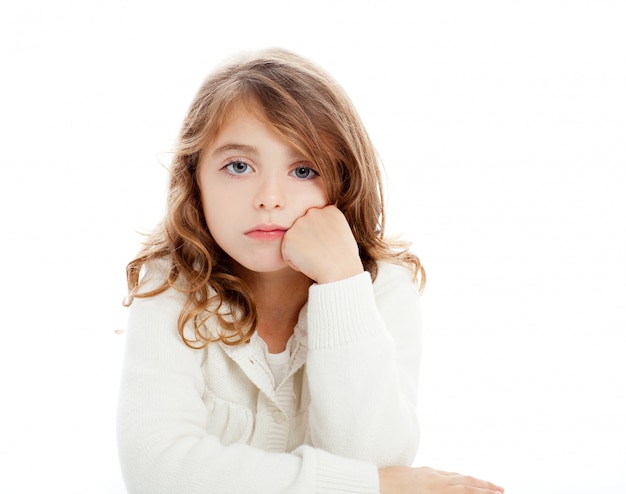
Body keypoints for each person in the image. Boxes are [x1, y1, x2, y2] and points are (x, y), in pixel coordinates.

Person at [117, 48, 504, 494]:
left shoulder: (382, 288)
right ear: (195, 178)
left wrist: (341, 281)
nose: (270, 198)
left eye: (303, 169)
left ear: (344, 178)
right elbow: (159, 472)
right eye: (239, 166)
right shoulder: (173, 286)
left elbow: (375, 460)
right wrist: (367, 486)